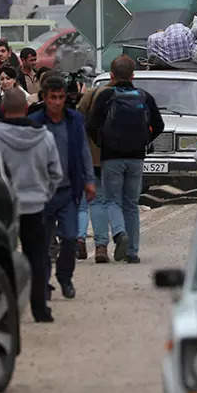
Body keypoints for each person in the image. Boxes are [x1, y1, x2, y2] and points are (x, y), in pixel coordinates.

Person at [0, 90, 64, 322]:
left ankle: (3, 310)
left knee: (2, 257)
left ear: (2, 109)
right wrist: (44, 194)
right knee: (37, 258)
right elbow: (56, 173)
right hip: (36, 206)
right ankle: (40, 309)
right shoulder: (45, 137)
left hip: (3, 208)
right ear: (26, 108)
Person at [88, 56, 165, 264]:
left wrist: (102, 142)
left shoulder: (106, 96)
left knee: (112, 200)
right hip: (136, 157)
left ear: (111, 75)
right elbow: (159, 125)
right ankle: (132, 252)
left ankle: (120, 233)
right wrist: (144, 141)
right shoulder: (144, 96)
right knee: (131, 203)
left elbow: (92, 124)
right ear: (133, 75)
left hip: (111, 157)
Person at [29, 74, 95, 297]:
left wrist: (89, 181)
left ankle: (65, 277)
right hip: (43, 193)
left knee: (70, 237)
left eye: (60, 97)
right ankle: (44, 283)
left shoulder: (74, 120)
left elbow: (84, 151)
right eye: (51, 98)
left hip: (68, 191)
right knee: (44, 243)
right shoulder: (36, 123)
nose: (56, 102)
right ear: (44, 99)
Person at [76, 77, 126, 263]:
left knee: (91, 201)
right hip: (119, 156)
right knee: (112, 201)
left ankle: (91, 243)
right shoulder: (132, 96)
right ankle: (109, 242)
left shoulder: (93, 94)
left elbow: (78, 118)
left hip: (93, 155)